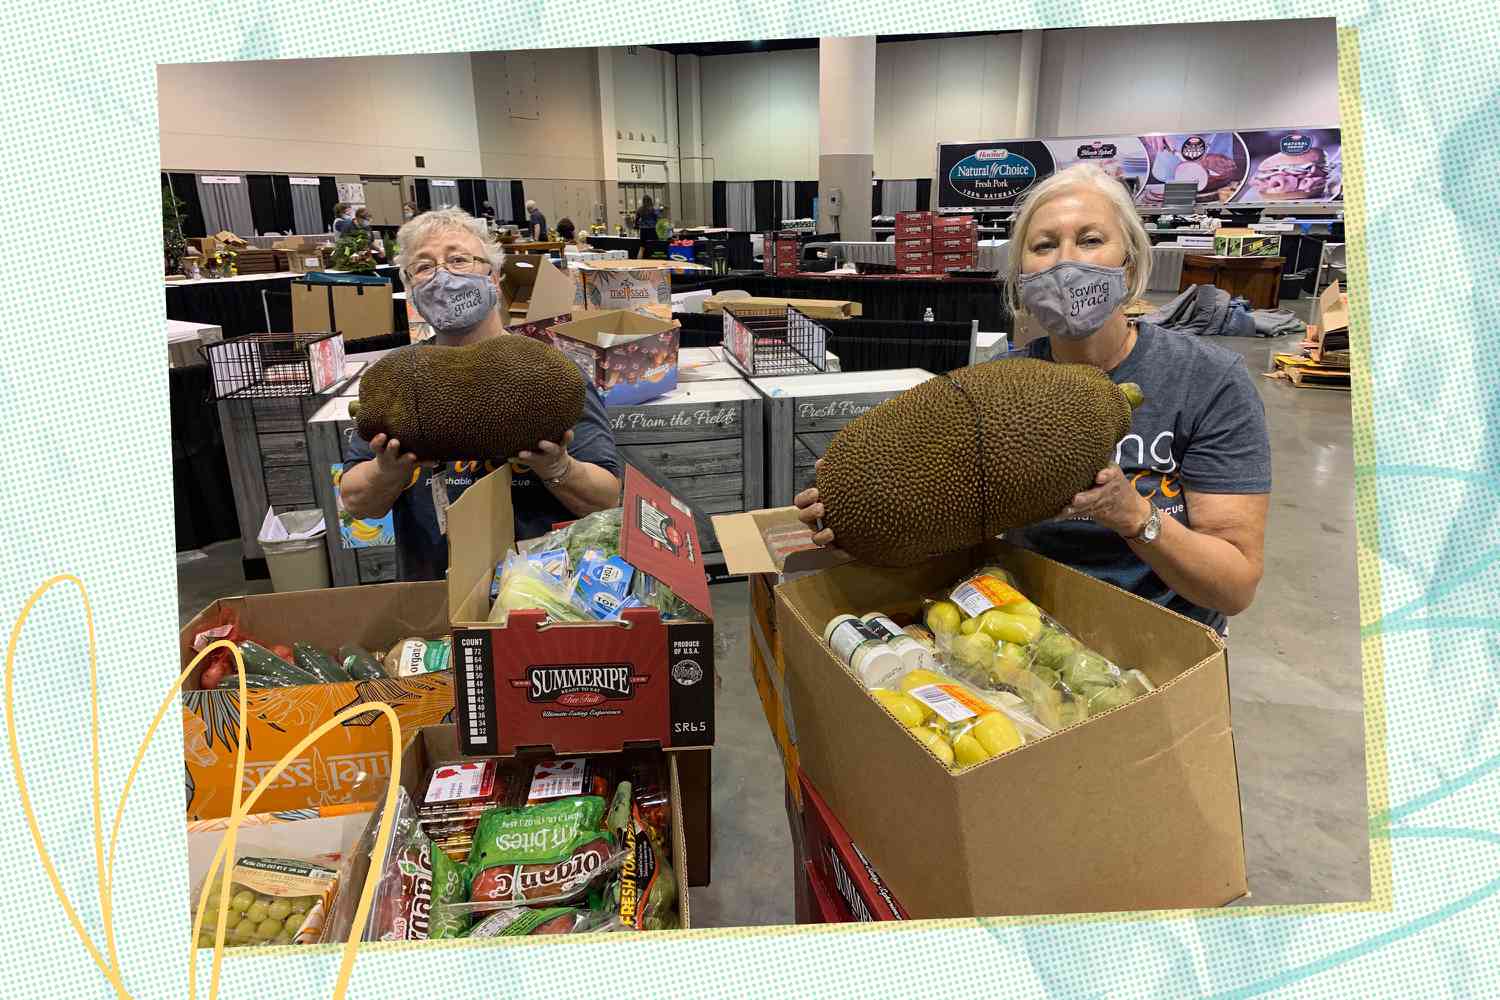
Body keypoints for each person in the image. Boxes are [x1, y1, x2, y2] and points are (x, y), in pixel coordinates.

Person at [794, 163, 1271, 636]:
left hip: (1161, 637)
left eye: (1090, 240)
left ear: (1129, 262)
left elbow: (1233, 588)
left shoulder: (1207, 380)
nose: (1066, 262)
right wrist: (858, 519)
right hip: (1017, 630)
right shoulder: (996, 385)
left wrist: (1131, 514)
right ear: (1021, 274)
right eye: (1044, 245)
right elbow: (947, 516)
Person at [340, 207, 623, 582]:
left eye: (458, 259)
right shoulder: (397, 377)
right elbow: (357, 503)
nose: (442, 275)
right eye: (423, 267)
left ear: (493, 275)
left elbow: (607, 500)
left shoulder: (547, 371)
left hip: (541, 588)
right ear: (410, 290)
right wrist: (387, 472)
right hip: (436, 587)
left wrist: (559, 469)